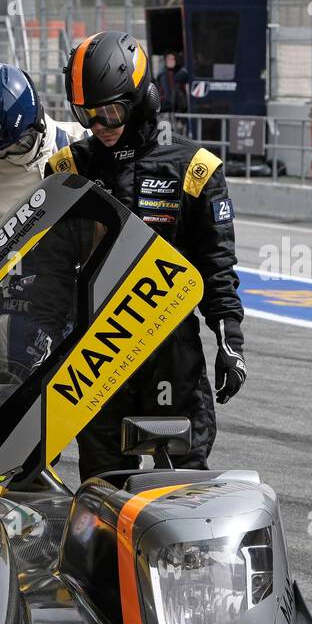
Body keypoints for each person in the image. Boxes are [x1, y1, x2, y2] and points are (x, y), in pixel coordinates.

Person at [51, 31, 246, 473]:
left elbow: (217, 268)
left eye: (111, 111)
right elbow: (50, 272)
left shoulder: (195, 170)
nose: (99, 125)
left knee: (179, 488)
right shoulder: (67, 169)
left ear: (141, 99)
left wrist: (229, 340)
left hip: (170, 350)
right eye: (86, 114)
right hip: (95, 354)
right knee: (101, 489)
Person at [0, 63, 83, 382]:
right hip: (24, 310)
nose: (13, 153)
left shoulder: (81, 144)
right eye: (1, 150)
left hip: (88, 297)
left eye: (19, 143)